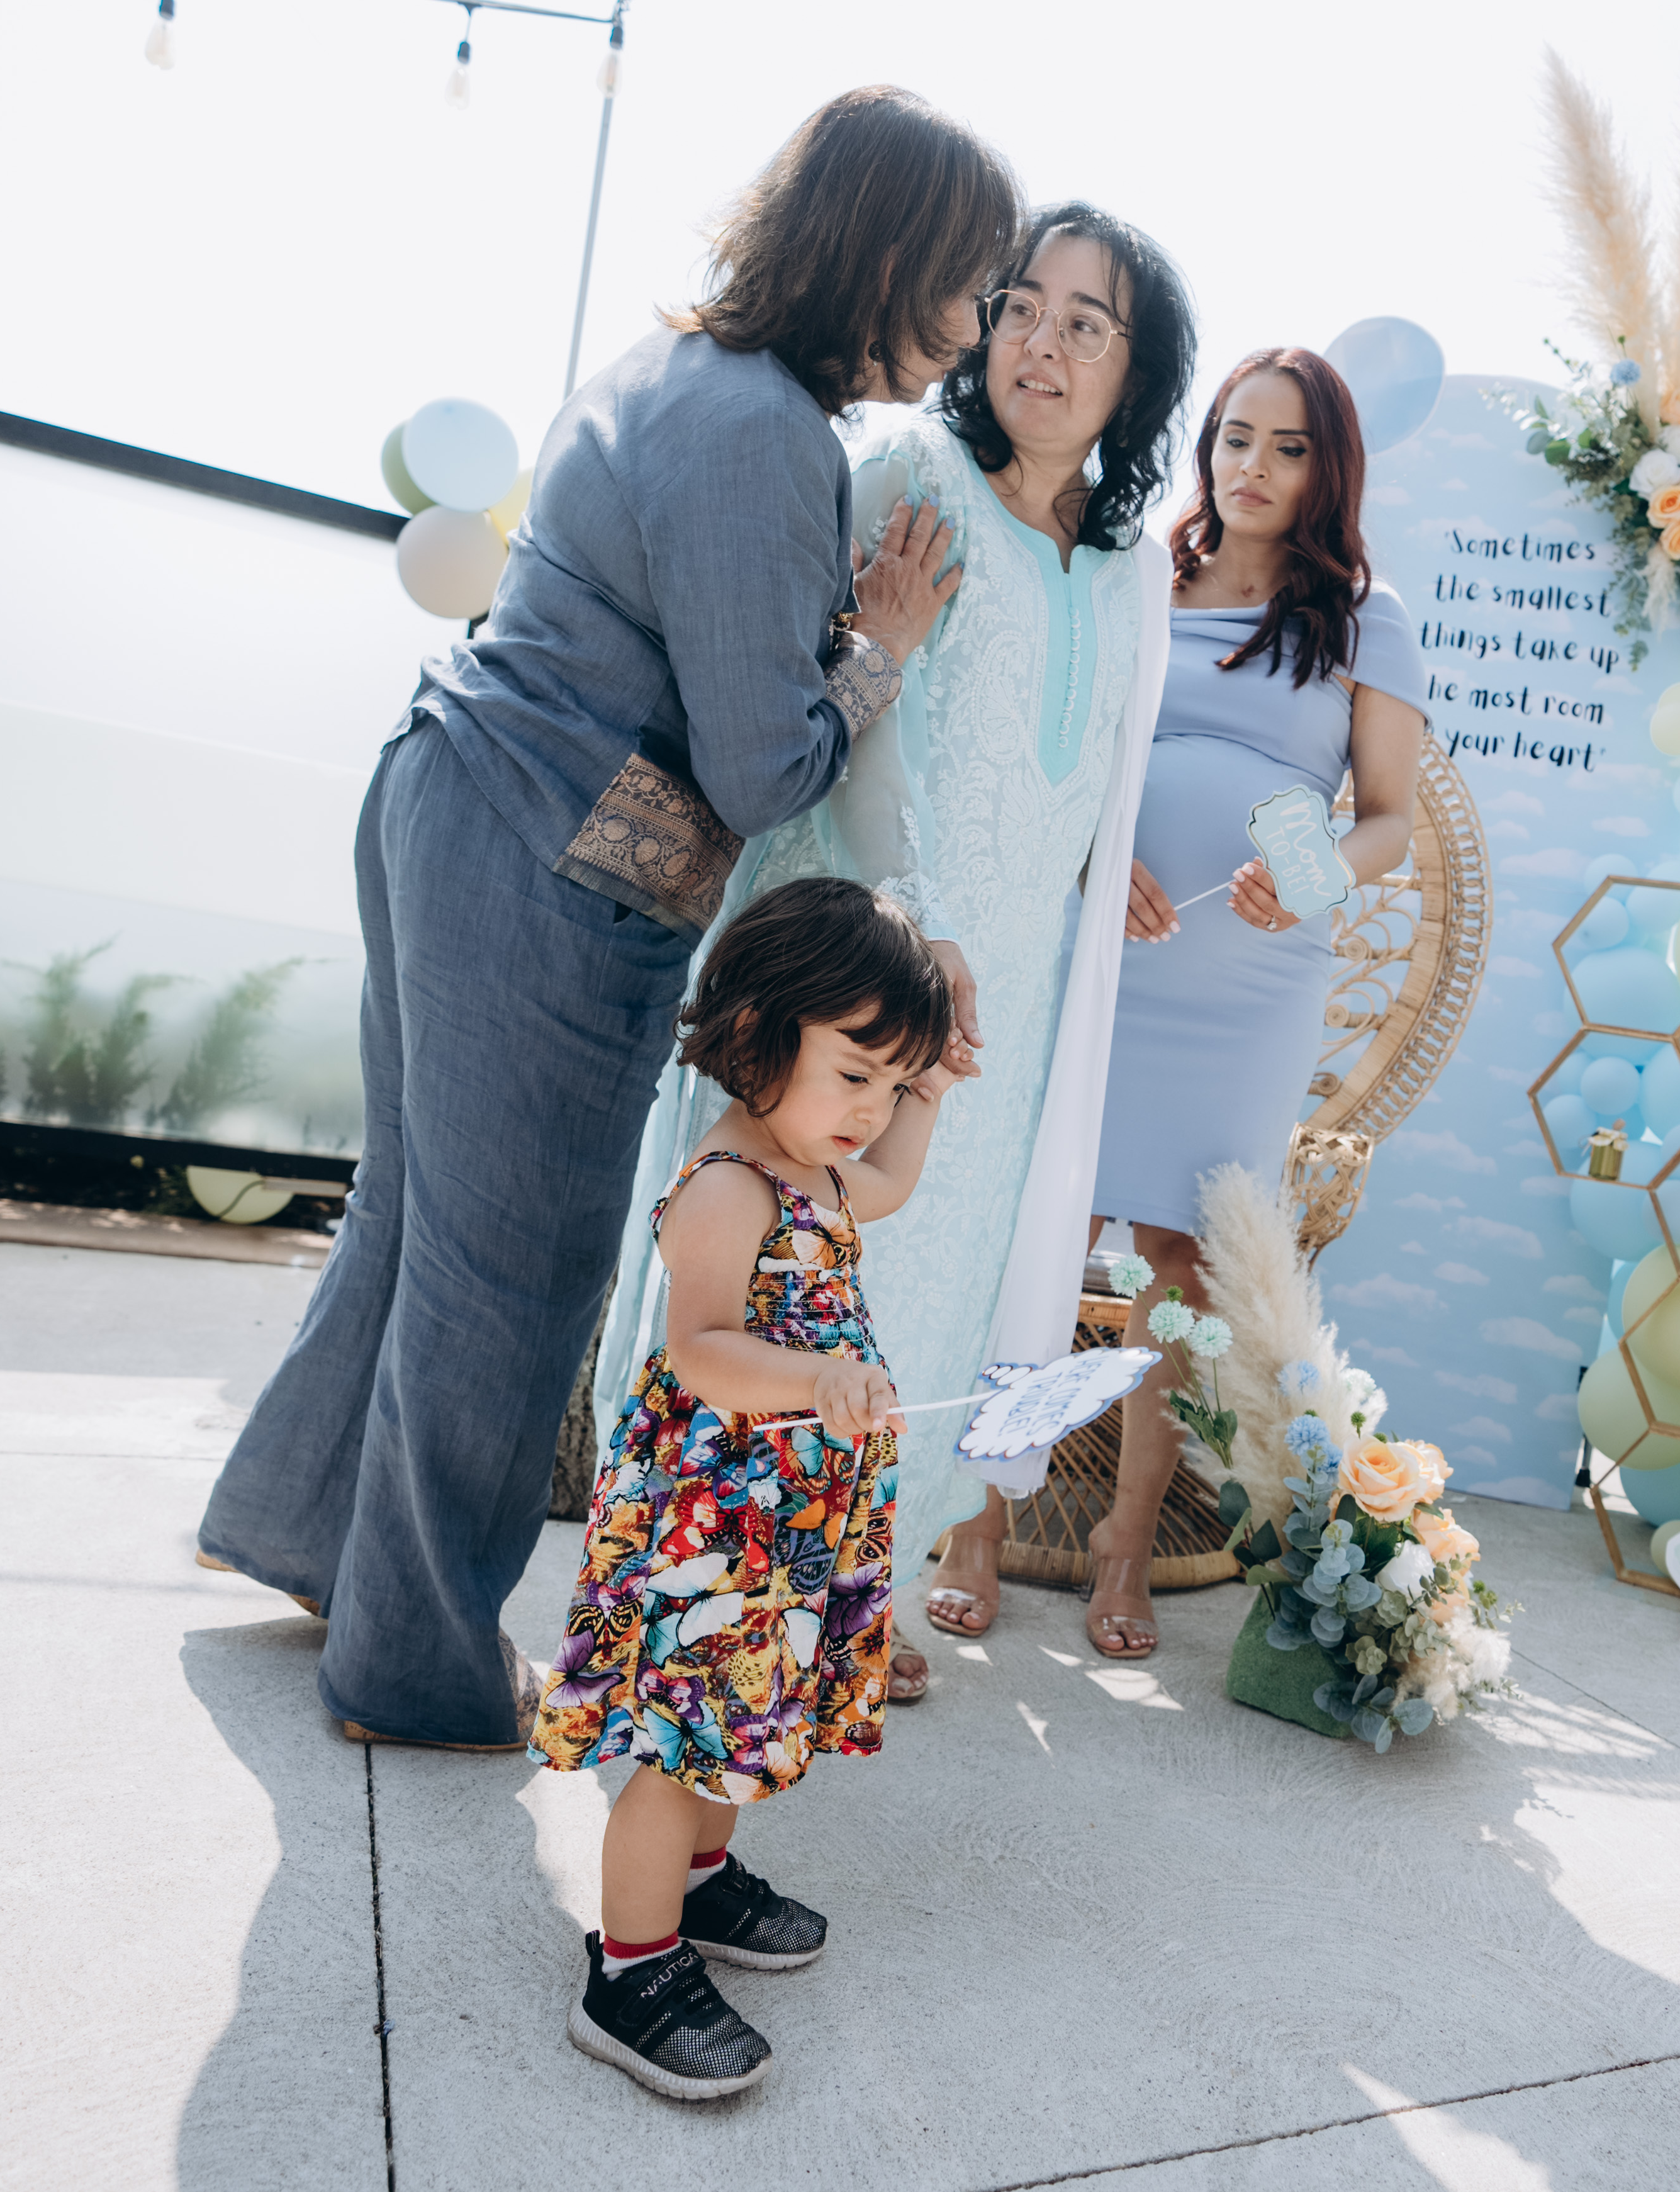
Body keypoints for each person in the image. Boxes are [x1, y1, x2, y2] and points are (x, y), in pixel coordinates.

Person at [192, 87, 1015, 1752]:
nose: (972, 322)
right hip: (550, 858)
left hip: (455, 794)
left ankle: (307, 1534)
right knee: (513, 1270)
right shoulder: (765, 431)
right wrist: (877, 651)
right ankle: (413, 1668)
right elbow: (760, 763)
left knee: (418, 1217)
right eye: (964, 278)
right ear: (883, 254)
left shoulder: (674, 368)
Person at [600, 202, 1194, 1693]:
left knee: (929, 1269)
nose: (1040, 343)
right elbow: (849, 716)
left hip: (1011, 993)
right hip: (858, 960)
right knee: (781, 1266)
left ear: (1136, 372)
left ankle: (853, 1576)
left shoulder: (1129, 567)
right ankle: (699, 1583)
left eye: (1085, 323)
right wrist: (910, 931)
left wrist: (1097, 856)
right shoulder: (912, 473)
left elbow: (1082, 762)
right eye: (1019, 306)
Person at [532, 876, 956, 2099]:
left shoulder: (811, 1162)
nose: (871, 1111)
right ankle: (628, 1969)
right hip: (713, 1529)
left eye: (892, 1083)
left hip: (783, 1530)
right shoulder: (729, 1181)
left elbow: (890, 1184)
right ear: (760, 1032)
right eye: (855, 1073)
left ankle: (702, 1884)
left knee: (737, 1718)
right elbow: (699, 1347)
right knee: (681, 1746)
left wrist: (928, 1083)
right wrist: (815, 1375)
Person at [1031, 349, 1425, 1659]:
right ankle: (974, 1520)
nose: (1252, 466)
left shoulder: (1363, 618)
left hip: (1249, 988)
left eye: (1288, 447)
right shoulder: (1138, 576)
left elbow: (1385, 818)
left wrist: (1309, 876)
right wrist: (1096, 858)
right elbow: (1064, 755)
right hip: (1100, 956)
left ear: (1329, 469)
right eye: (1234, 437)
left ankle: (1124, 1544)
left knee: (1184, 1263)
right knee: (1040, 1232)